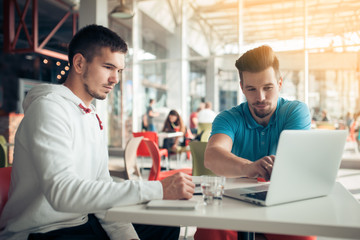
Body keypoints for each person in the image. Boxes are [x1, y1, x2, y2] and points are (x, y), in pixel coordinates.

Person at [0, 24, 195, 240]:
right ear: (79, 63)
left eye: (119, 70)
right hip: (43, 231)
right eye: (108, 67)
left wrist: (127, 236)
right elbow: (61, 193)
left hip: (82, 222)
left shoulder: (92, 115)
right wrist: (157, 189)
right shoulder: (48, 108)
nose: (115, 79)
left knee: (166, 225)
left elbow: (101, 186)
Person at [201, 45, 314, 240]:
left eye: (268, 88)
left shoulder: (295, 111)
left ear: (279, 84)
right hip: (233, 203)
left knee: (304, 236)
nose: (260, 97)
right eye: (251, 89)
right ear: (242, 87)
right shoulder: (228, 118)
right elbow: (212, 156)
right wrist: (249, 167)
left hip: (281, 202)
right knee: (209, 233)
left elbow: (297, 162)